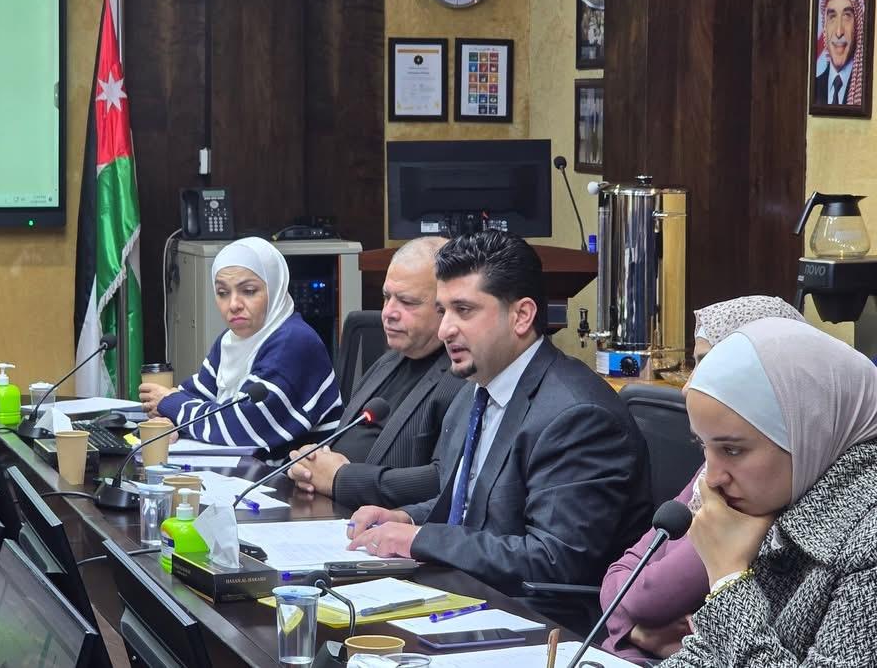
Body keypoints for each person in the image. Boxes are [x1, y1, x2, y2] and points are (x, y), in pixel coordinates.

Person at [344, 231, 652, 608]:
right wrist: (404, 518)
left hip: (542, 620)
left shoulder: (578, 416)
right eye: (443, 311)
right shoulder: (474, 391)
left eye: (464, 310)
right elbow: (470, 510)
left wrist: (420, 539)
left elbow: (553, 561)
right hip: (467, 595)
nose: (445, 330)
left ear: (521, 316)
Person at [600, 295, 807, 663]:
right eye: (694, 363)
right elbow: (621, 574)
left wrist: (628, 622)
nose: (688, 385)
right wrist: (632, 629)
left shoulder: (757, 484)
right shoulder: (715, 466)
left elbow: (645, 598)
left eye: (710, 363)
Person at [659, 318, 877, 667]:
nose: (711, 478)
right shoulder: (786, 495)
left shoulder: (868, 542)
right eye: (703, 445)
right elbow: (708, 655)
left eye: (732, 450)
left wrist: (728, 579)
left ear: (809, 432)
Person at [285, 237, 466, 509]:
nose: (388, 312)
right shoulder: (387, 362)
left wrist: (341, 479)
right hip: (331, 512)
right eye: (386, 297)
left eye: (407, 302)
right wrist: (310, 464)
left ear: (446, 307)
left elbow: (444, 481)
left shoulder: (463, 377)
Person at [138, 237, 342, 448]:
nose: (233, 304)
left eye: (249, 291)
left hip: (293, 468)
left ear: (275, 288)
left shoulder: (295, 343)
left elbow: (241, 427)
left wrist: (172, 406)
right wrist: (169, 419)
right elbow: (193, 395)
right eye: (223, 293)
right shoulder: (231, 339)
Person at [813, 0, 865, 106]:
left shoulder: (867, 91)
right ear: (825, 26)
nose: (839, 32)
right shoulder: (813, 89)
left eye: (847, 16)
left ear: (857, 25)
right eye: (832, 17)